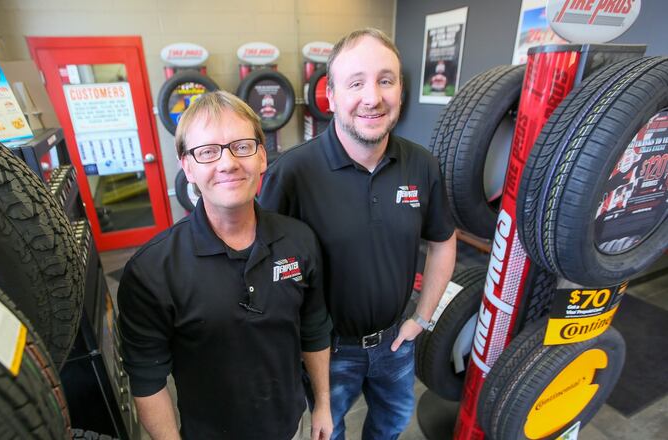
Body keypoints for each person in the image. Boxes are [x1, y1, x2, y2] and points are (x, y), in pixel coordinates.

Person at [259, 28, 457, 439]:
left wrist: (422, 318)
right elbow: (261, 271)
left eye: (386, 80)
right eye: (356, 83)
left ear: (401, 90)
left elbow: (442, 241)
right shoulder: (292, 174)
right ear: (330, 96)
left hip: (396, 342)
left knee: (391, 424)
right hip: (325, 353)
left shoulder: (421, 165)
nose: (373, 97)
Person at [118, 90, 333, 440]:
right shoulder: (152, 270)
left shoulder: (300, 240)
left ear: (262, 156)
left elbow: (315, 327)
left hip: (291, 428)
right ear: (187, 167)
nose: (228, 163)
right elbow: (147, 378)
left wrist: (322, 403)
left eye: (242, 146)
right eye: (207, 152)